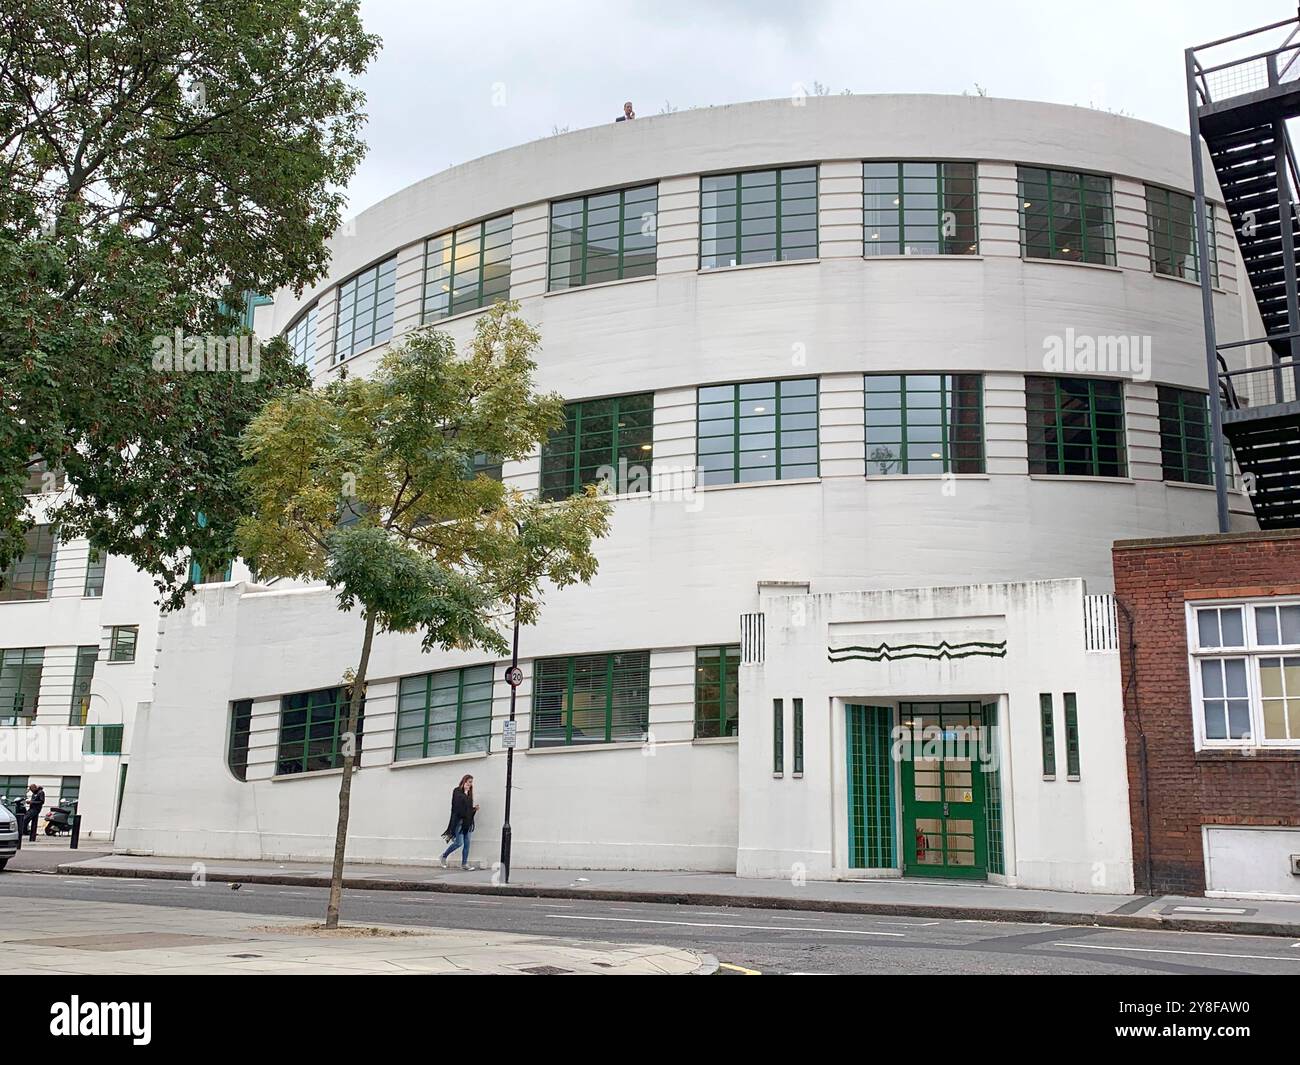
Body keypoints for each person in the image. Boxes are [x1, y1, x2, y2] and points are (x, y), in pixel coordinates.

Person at [439, 774, 478, 869]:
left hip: (467, 823)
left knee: (467, 843)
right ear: (464, 781)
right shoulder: (457, 791)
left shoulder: (469, 794)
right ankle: (443, 856)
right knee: (459, 843)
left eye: (471, 782)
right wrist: (465, 791)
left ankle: (464, 864)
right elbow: (457, 806)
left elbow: (467, 809)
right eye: (469, 782)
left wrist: (474, 809)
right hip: (459, 822)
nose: (470, 784)